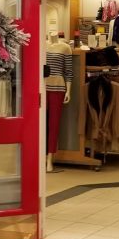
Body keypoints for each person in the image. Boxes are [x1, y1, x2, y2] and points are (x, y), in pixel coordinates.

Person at [45, 32, 73, 172]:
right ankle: (41, 155)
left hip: (58, 88)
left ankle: (50, 158)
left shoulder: (65, 48)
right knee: (41, 123)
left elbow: (68, 71)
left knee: (54, 124)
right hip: (42, 87)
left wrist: (68, 91)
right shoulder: (42, 45)